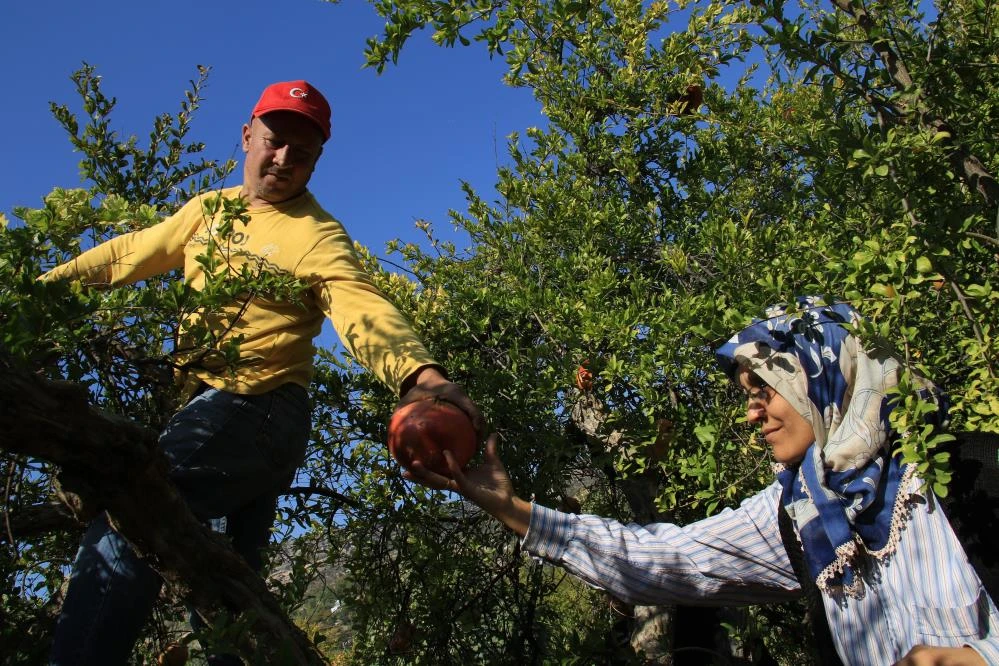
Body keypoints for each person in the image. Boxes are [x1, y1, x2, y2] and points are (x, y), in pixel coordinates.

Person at [42, 80, 482, 665]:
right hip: (214, 409)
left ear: (316, 161)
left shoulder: (316, 235)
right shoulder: (209, 211)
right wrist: (35, 294)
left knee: (130, 514)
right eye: (274, 142)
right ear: (248, 135)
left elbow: (360, 305)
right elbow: (130, 253)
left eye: (301, 154)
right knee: (225, 595)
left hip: (257, 408)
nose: (283, 160)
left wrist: (419, 375)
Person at [408, 298, 998, 665]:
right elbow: (670, 559)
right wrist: (511, 509)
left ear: (820, 376)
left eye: (764, 391)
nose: (752, 413)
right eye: (749, 397)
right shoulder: (799, 514)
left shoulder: (968, 473)